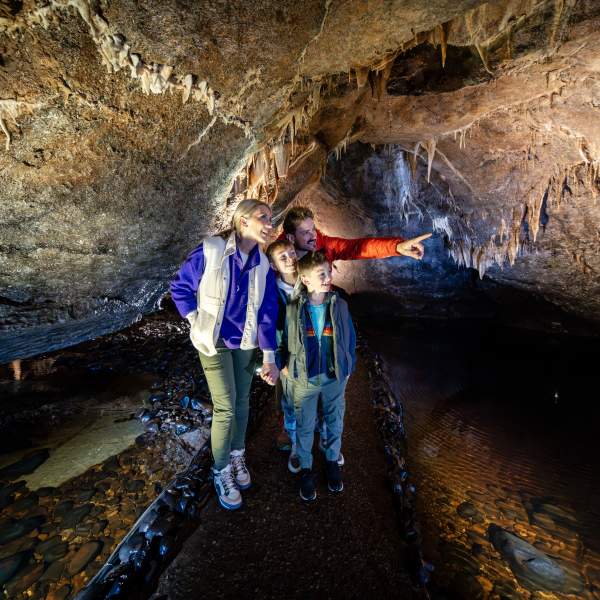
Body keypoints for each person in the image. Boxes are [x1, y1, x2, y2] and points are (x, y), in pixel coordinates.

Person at [170, 199, 280, 511]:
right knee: (226, 407)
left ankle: (237, 456)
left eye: (271, 218)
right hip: (214, 340)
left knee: (243, 402)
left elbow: (267, 313)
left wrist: (269, 357)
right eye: (263, 217)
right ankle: (220, 472)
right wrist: (195, 321)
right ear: (243, 221)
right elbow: (180, 287)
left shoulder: (263, 265)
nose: (270, 223)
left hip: (245, 341)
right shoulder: (212, 250)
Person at [277, 251, 356, 502]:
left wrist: (347, 365)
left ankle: (332, 461)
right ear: (306, 279)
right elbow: (281, 339)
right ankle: (307, 469)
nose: (327, 277)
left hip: (334, 377)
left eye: (329, 272)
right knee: (305, 425)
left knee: (335, 420)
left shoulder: (340, 304)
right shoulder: (293, 308)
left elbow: (349, 339)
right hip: (305, 378)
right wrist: (282, 365)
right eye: (321, 274)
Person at [282, 206, 431, 262]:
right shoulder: (277, 260)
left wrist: (397, 247)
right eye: (306, 232)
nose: (313, 235)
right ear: (291, 237)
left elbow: (359, 247)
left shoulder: (324, 245)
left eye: (313, 229)